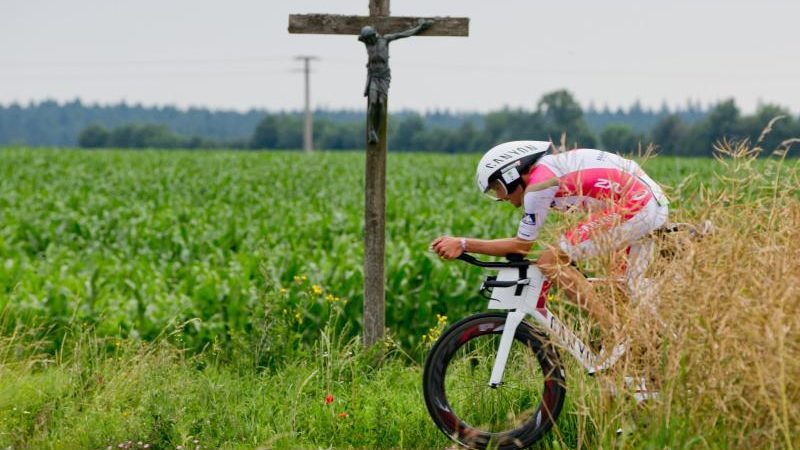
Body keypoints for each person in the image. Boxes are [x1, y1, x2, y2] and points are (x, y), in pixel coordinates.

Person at [430, 140, 669, 341]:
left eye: (497, 189)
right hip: (645, 201)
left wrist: (463, 244)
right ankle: (642, 355)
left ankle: (615, 334)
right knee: (624, 289)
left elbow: (522, 246)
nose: (500, 198)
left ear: (511, 174)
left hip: (637, 204)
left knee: (550, 261)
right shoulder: (545, 173)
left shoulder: (538, 186)